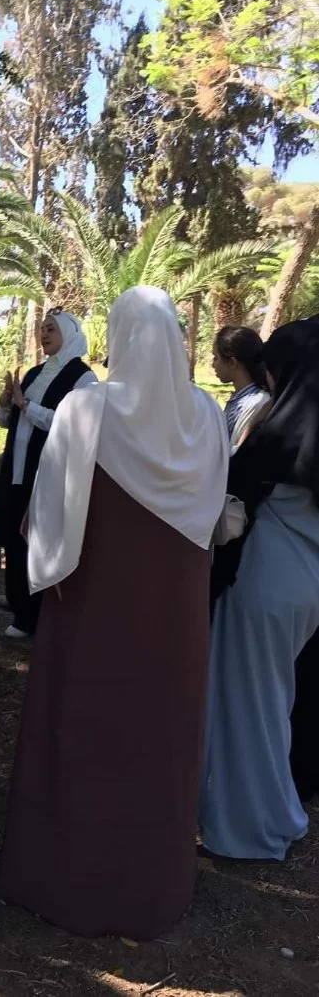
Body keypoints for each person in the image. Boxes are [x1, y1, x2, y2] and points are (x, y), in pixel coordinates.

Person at [0, 286, 228, 939]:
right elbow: (213, 509)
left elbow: (48, 513)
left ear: (122, 336)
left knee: (86, 720)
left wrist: (45, 566)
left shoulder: (89, 408)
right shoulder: (207, 416)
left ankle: (66, 879)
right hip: (174, 611)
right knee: (158, 733)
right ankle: (151, 885)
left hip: (94, 600)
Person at [202, 318, 319, 860]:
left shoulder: (277, 440)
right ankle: (279, 812)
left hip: (261, 585)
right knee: (275, 699)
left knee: (247, 706)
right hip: (305, 586)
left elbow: (225, 495)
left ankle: (247, 828)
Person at [0, 310, 95, 640]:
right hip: (17, 473)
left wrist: (26, 405)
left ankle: (43, 615)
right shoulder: (35, 374)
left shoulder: (84, 378)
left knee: (41, 541)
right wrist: (6, 402)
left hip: (49, 476)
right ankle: (21, 611)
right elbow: (6, 422)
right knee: (15, 540)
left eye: (51, 329)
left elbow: (70, 425)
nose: (44, 334)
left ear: (69, 332)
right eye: (41, 329)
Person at [212, 325, 270, 449]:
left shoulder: (257, 403)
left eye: (216, 358)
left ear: (232, 363)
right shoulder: (239, 399)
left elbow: (237, 451)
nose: (213, 365)